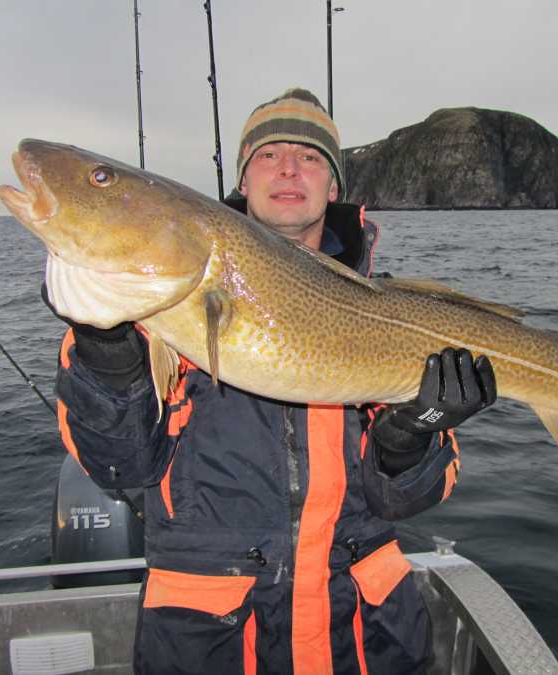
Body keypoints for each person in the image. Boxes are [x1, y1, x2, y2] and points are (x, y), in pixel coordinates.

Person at [49, 88, 497, 675]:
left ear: (333, 186)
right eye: (269, 154)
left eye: (310, 157)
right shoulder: (132, 324)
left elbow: (406, 501)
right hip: (209, 643)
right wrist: (105, 348)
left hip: (363, 639)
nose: (288, 167)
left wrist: (409, 438)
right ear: (242, 179)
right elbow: (119, 469)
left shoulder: (402, 314)